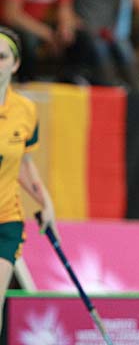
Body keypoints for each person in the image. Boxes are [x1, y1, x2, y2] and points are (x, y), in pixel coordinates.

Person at [0, 27, 58, 333]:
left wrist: (45, 203)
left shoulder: (26, 111)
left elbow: (23, 162)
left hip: (5, 219)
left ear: (15, 64)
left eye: (1, 57)